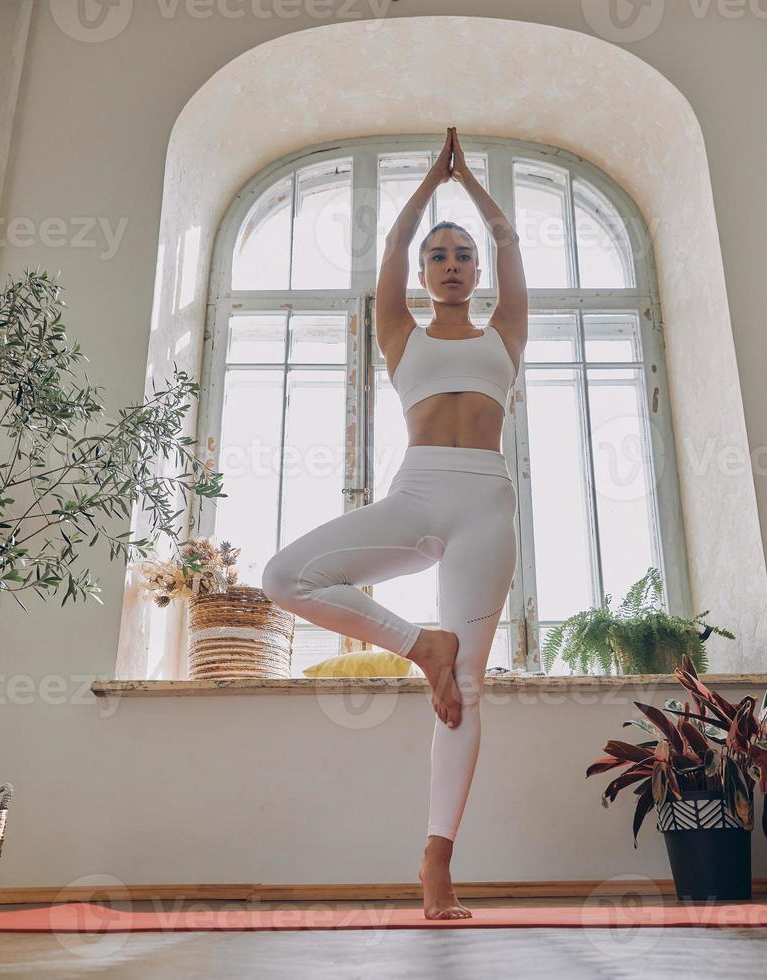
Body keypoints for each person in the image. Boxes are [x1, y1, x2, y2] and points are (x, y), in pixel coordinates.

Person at [261, 127, 527, 920]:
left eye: (462, 255)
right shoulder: (397, 330)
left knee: (467, 692)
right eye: (438, 255)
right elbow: (395, 237)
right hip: (415, 498)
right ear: (421, 273)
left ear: (476, 272)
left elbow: (510, 239)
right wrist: (426, 189)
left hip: (486, 503)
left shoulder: (505, 332)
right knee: (285, 578)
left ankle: (436, 864)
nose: (451, 263)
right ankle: (422, 646)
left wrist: (470, 183)